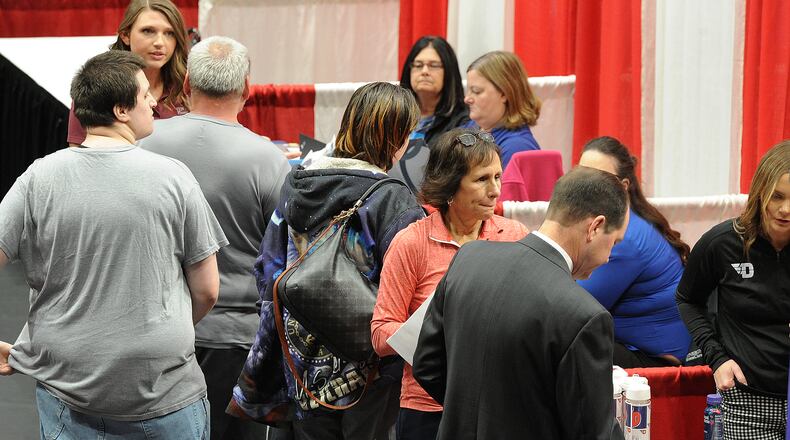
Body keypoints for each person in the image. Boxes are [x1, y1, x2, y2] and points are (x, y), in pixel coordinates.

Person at [0, 50, 227, 438]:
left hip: (67, 397)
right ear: (122, 110)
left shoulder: (39, 177)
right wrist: (161, 328)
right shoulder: (173, 177)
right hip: (164, 397)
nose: (154, 102)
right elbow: (206, 290)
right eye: (144, 95)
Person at [228, 82, 426, 440]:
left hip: (300, 365)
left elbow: (267, 269)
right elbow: (407, 291)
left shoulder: (298, 183)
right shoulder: (393, 201)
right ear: (396, 138)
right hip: (368, 375)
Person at [139, 36, 290, 440]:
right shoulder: (268, 160)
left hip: (152, 329)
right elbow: (285, 252)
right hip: (235, 339)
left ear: (186, 84)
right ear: (246, 88)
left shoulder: (144, 143)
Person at [413, 166, 629, 440]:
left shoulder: (469, 258)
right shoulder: (584, 316)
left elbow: (426, 363)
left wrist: (475, 416)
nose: (609, 256)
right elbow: (591, 431)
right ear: (595, 227)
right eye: (614, 242)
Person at [370, 127, 528, 440]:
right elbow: (380, 334)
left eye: (498, 177)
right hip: (428, 408)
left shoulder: (515, 236)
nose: (495, 190)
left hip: (497, 405)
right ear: (451, 185)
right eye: (482, 179)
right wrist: (436, 331)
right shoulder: (411, 243)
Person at [676, 140, 790, 439]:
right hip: (747, 401)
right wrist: (717, 358)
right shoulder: (722, 242)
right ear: (760, 191)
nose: (785, 209)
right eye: (776, 196)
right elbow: (687, 299)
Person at [578, 136, 692, 368]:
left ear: (623, 187)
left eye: (597, 178)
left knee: (558, 339)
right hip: (633, 347)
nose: (584, 186)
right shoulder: (617, 223)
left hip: (654, 362)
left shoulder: (625, 239)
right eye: (581, 175)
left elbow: (575, 307)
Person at [67, 0, 190, 145]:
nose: (160, 42)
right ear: (125, 35)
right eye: (148, 31)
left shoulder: (189, 86)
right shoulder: (96, 86)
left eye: (170, 33)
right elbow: (79, 152)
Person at [462, 51, 541, 170]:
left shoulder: (517, 149)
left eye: (476, 91)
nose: (467, 99)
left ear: (504, 93)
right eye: (468, 90)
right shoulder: (470, 128)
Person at [399, 36, 469, 147]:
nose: (424, 71)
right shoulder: (396, 114)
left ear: (449, 72)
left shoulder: (464, 122)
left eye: (434, 65)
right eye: (418, 65)